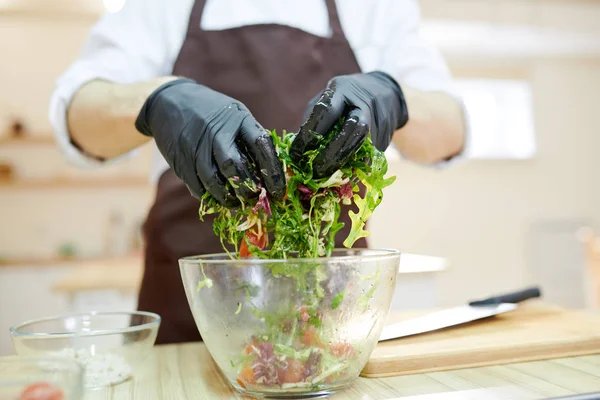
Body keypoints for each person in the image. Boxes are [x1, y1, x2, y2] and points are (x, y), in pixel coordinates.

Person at [50, 0, 468, 344]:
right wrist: (157, 100)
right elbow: (77, 114)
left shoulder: (371, 7)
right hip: (190, 320)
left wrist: (394, 96)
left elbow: (452, 128)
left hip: (327, 329)